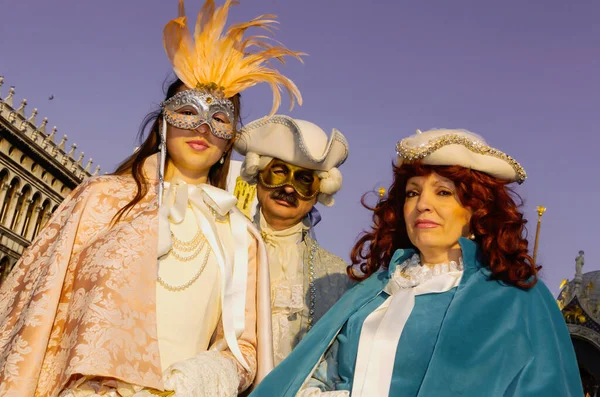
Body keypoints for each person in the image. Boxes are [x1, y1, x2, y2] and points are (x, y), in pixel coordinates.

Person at [0, 0, 303, 396]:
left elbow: (244, 348)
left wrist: (194, 381)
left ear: (230, 139)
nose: (202, 127)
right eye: (187, 110)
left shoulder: (241, 235)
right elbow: (34, 318)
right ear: (164, 120)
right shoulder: (99, 199)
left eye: (220, 118)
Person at [250, 128, 583, 397]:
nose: (423, 204)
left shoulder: (519, 298)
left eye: (443, 192)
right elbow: (317, 374)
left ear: (475, 208)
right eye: (412, 192)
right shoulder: (372, 292)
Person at [231, 115, 353, 365]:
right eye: (279, 172)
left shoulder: (337, 275)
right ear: (258, 174)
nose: (288, 188)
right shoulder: (223, 247)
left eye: (304, 180)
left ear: (317, 193)